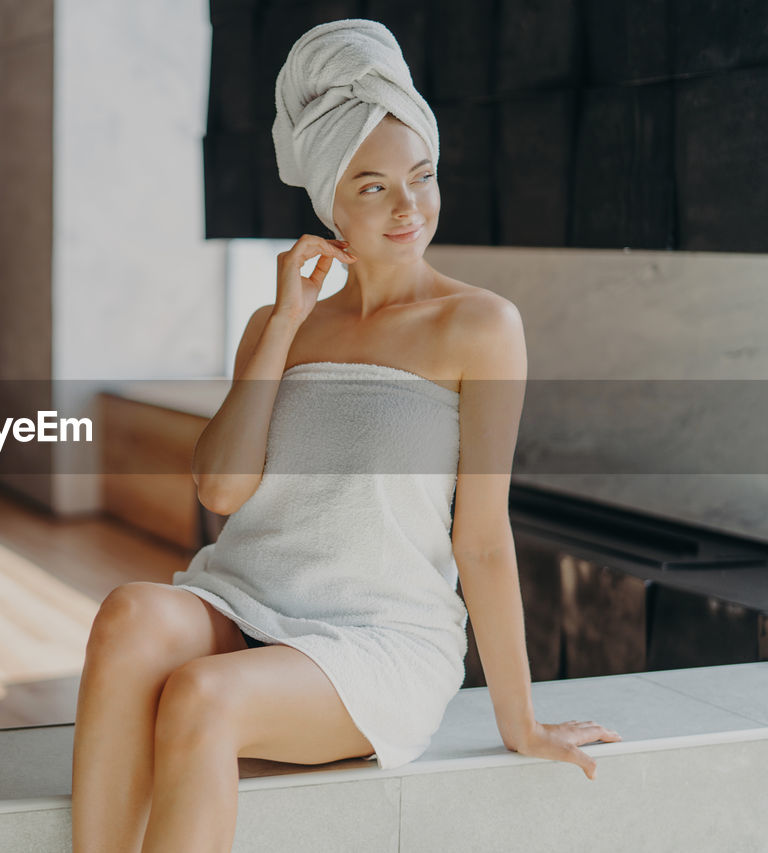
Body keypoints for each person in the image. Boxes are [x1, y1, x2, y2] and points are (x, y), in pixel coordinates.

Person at [70, 19, 621, 853]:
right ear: (330, 198)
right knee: (128, 615)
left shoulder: (480, 327)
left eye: (422, 176)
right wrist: (286, 321)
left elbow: (482, 540)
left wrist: (522, 718)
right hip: (248, 598)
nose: (408, 207)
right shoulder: (276, 323)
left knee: (203, 697)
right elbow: (220, 491)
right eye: (373, 187)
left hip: (376, 640)